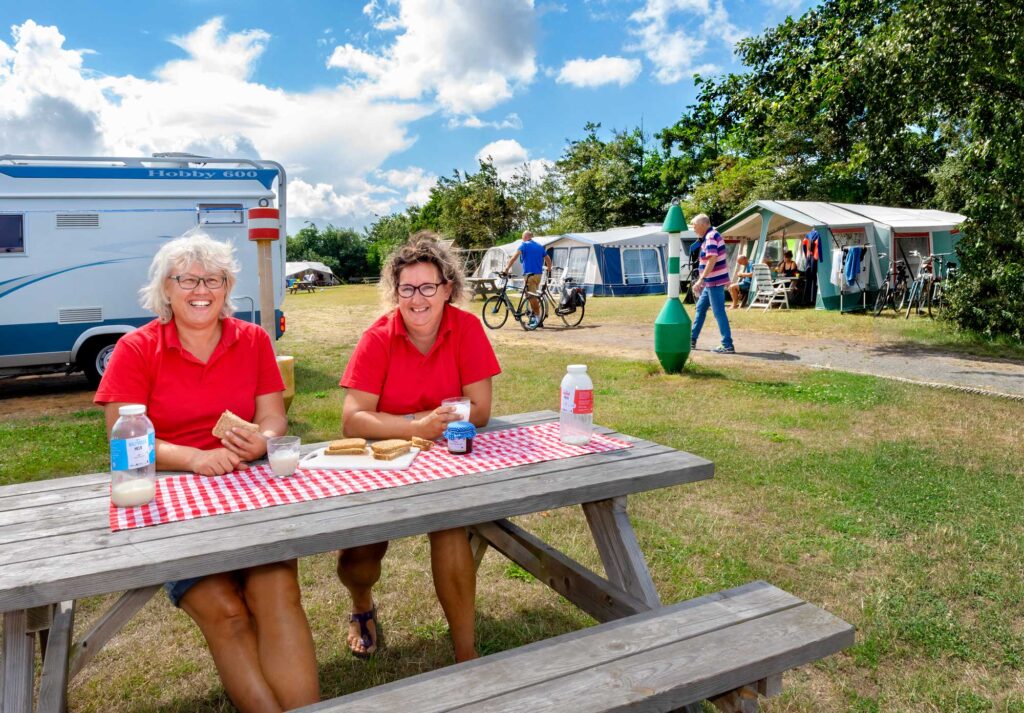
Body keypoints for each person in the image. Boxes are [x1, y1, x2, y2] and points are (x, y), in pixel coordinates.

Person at [94, 231, 319, 712]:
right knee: (228, 613)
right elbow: (122, 433)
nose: (201, 289)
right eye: (187, 279)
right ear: (166, 290)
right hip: (173, 504)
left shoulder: (254, 339)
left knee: (278, 595)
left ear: (226, 286)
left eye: (213, 279)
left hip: (248, 496)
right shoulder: (137, 348)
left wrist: (262, 437)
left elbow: (273, 415)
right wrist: (194, 458)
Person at [338, 231, 501, 663]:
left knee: (449, 527)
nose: (417, 299)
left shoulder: (466, 327)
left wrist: (434, 425)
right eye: (407, 288)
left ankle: (466, 654)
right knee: (361, 556)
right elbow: (352, 419)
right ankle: (361, 605)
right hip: (383, 463)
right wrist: (419, 425)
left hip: (445, 461)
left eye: (428, 287)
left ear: (448, 289)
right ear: (395, 292)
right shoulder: (377, 337)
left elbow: (481, 409)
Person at [690, 214, 735, 354]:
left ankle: (727, 344)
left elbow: (712, 259)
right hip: (712, 281)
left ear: (703, 224)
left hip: (713, 281)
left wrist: (700, 279)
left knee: (718, 312)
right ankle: (691, 339)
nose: (693, 228)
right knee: (700, 309)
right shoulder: (713, 235)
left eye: (694, 225)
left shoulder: (710, 237)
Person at [504, 230, 551, 328]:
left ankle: (538, 320)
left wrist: (506, 268)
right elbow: (548, 259)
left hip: (529, 275)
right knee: (532, 296)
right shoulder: (539, 246)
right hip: (538, 275)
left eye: (522, 237)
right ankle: (533, 316)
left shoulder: (524, 245)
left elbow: (514, 257)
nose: (522, 239)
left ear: (525, 237)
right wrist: (549, 269)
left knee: (531, 297)